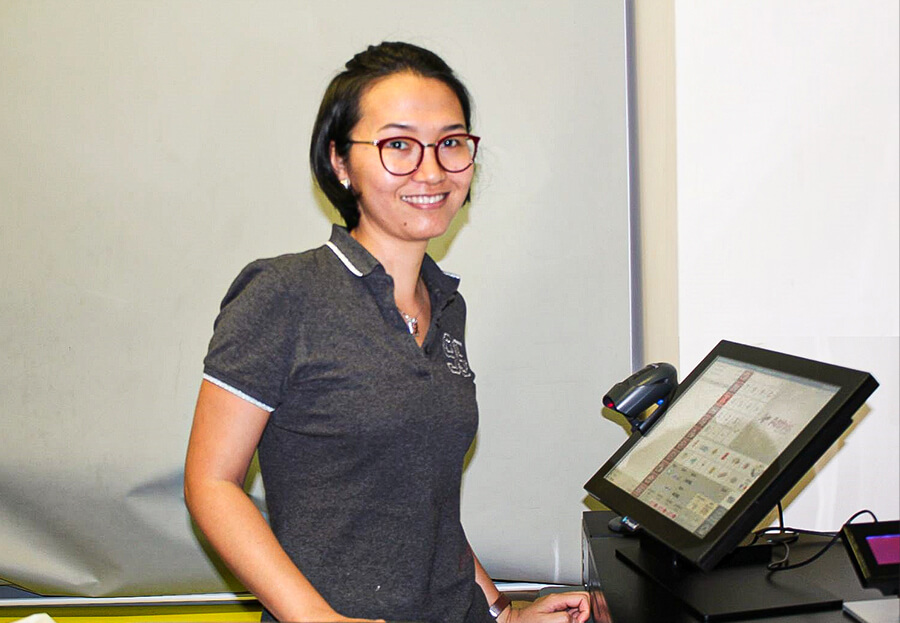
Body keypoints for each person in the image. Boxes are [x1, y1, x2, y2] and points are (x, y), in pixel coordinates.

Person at [184, 41, 590, 623]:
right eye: (398, 144)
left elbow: (425, 504)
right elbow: (211, 482)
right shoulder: (284, 293)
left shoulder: (446, 305)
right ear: (341, 162)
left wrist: (503, 613)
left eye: (450, 143)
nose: (431, 170)